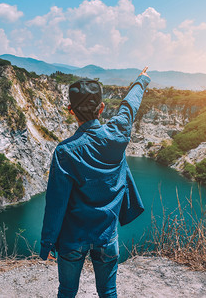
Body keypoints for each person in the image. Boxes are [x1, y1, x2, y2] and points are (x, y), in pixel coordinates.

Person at [40, 67, 151, 298]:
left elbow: (56, 202)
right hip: (106, 235)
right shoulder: (117, 134)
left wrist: (47, 243)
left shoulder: (65, 151)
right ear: (101, 108)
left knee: (67, 291)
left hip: (72, 238)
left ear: (71, 111)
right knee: (108, 291)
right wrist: (141, 80)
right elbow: (129, 107)